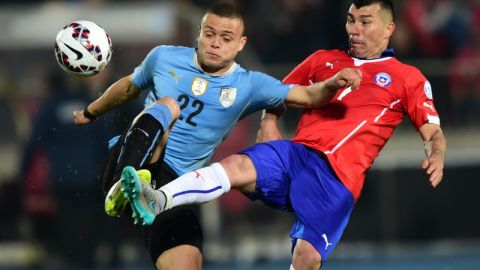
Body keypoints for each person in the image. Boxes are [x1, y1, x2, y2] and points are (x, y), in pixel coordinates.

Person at [121, 0, 447, 269]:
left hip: (337, 179)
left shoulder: (408, 78)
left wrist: (436, 153)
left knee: (306, 259)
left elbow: (432, 131)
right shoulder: (323, 60)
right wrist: (269, 122)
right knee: (235, 166)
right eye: (350, 20)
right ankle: (158, 198)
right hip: (295, 155)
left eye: (365, 22)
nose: (355, 30)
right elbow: (279, 95)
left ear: (389, 28)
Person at [73, 2, 361, 269]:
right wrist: (90, 112)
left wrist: (332, 84)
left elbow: (308, 96)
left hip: (173, 191)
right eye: (209, 33)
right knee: (168, 106)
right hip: (133, 160)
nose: (215, 43)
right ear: (198, 33)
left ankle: (142, 196)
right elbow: (128, 87)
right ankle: (123, 186)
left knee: (188, 262)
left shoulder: (249, 84)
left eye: (225, 38)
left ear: (240, 44)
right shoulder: (164, 57)